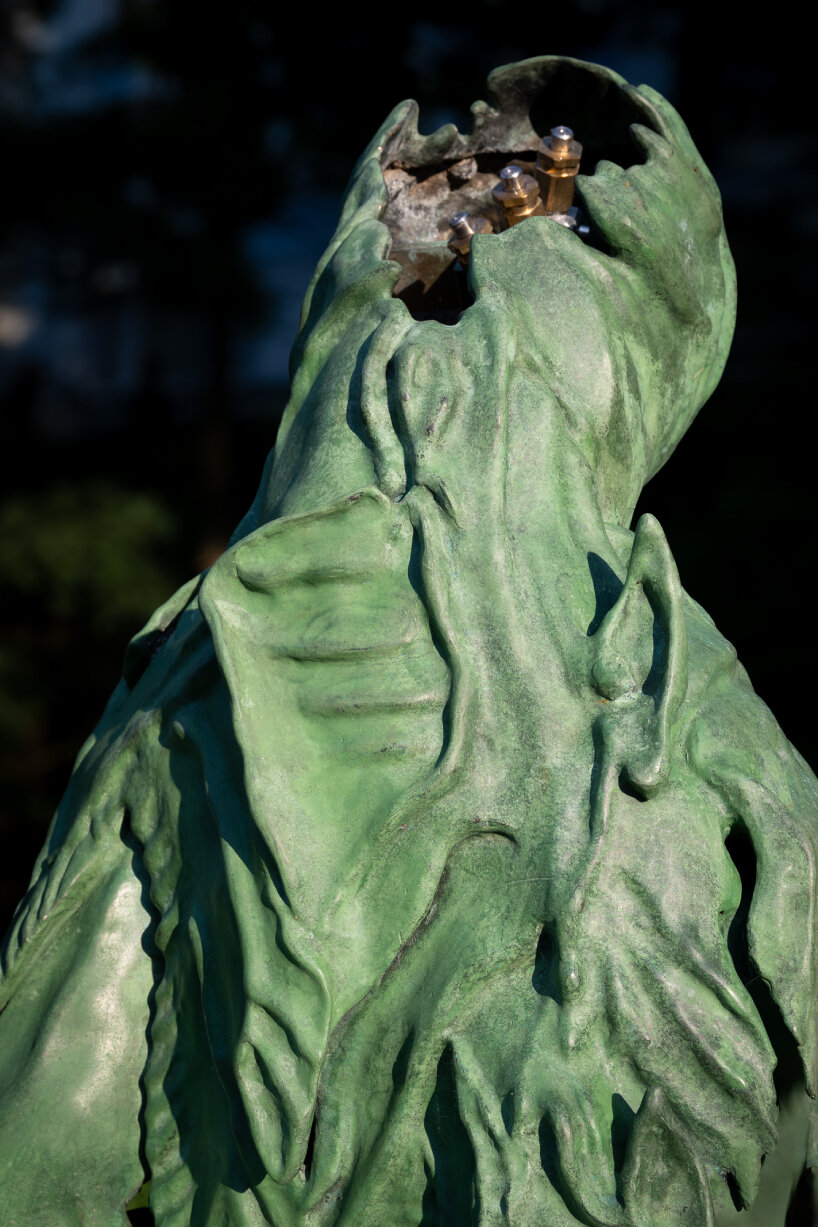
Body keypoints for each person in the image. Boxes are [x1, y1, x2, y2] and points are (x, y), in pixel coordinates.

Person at [1, 55, 814, 1225]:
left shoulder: (680, 723)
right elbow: (45, 1121)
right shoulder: (203, 688)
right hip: (269, 700)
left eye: (537, 195)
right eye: (449, 188)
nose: (487, 212)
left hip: (581, 728)